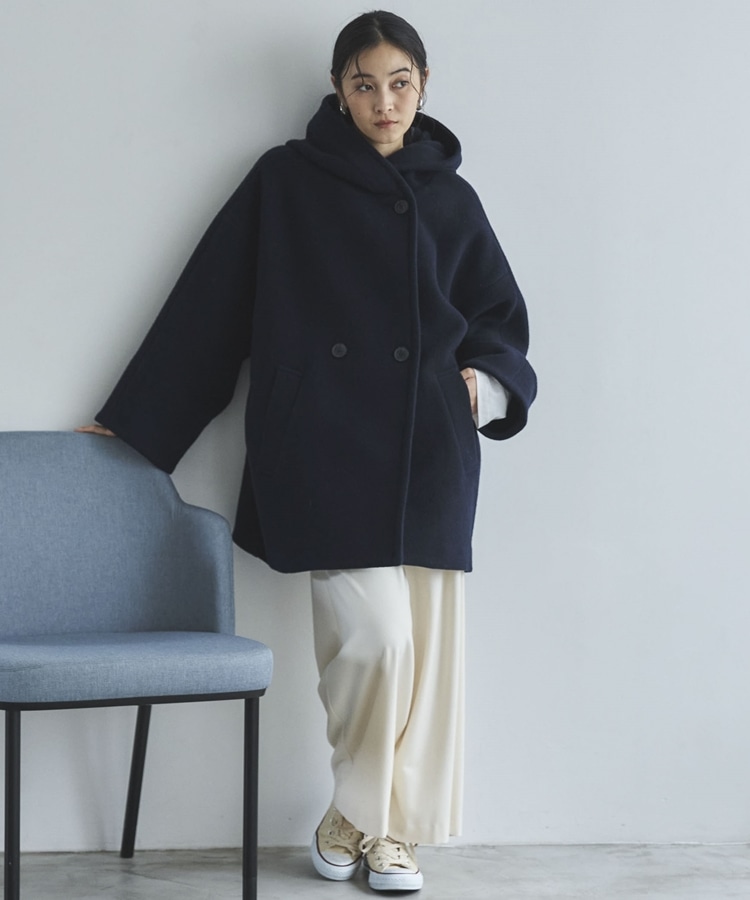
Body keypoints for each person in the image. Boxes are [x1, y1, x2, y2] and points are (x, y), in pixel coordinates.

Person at [78, 10, 536, 893]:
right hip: (324, 441)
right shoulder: (285, 179)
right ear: (338, 89)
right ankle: (364, 813)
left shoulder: (452, 198)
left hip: (430, 445)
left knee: (427, 656)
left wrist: (480, 389)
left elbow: (498, 316)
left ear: (424, 86)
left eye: (399, 83)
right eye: (364, 84)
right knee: (376, 642)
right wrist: (141, 418)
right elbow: (212, 302)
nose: (384, 101)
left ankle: (382, 828)